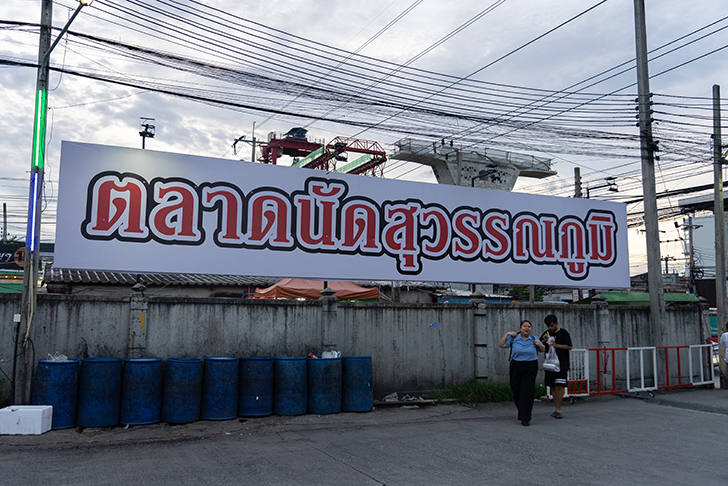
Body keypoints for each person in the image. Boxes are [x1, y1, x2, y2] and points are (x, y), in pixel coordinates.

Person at [499, 320, 545, 426]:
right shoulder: (514, 338)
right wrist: (507, 334)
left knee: (527, 391)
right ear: (520, 328)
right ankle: (522, 411)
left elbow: (543, 349)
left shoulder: (534, 339)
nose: (527, 328)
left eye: (529, 326)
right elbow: (501, 345)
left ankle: (526, 418)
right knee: (516, 390)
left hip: (530, 366)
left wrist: (539, 345)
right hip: (516, 365)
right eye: (524, 326)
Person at [540, 314, 573, 419]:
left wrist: (557, 345)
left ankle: (559, 409)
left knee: (560, 385)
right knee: (553, 385)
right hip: (550, 364)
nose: (550, 328)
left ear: (556, 323)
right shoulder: (546, 333)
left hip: (561, 363)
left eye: (552, 325)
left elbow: (569, 346)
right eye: (548, 326)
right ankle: (556, 407)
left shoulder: (564, 333)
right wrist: (544, 340)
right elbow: (540, 347)